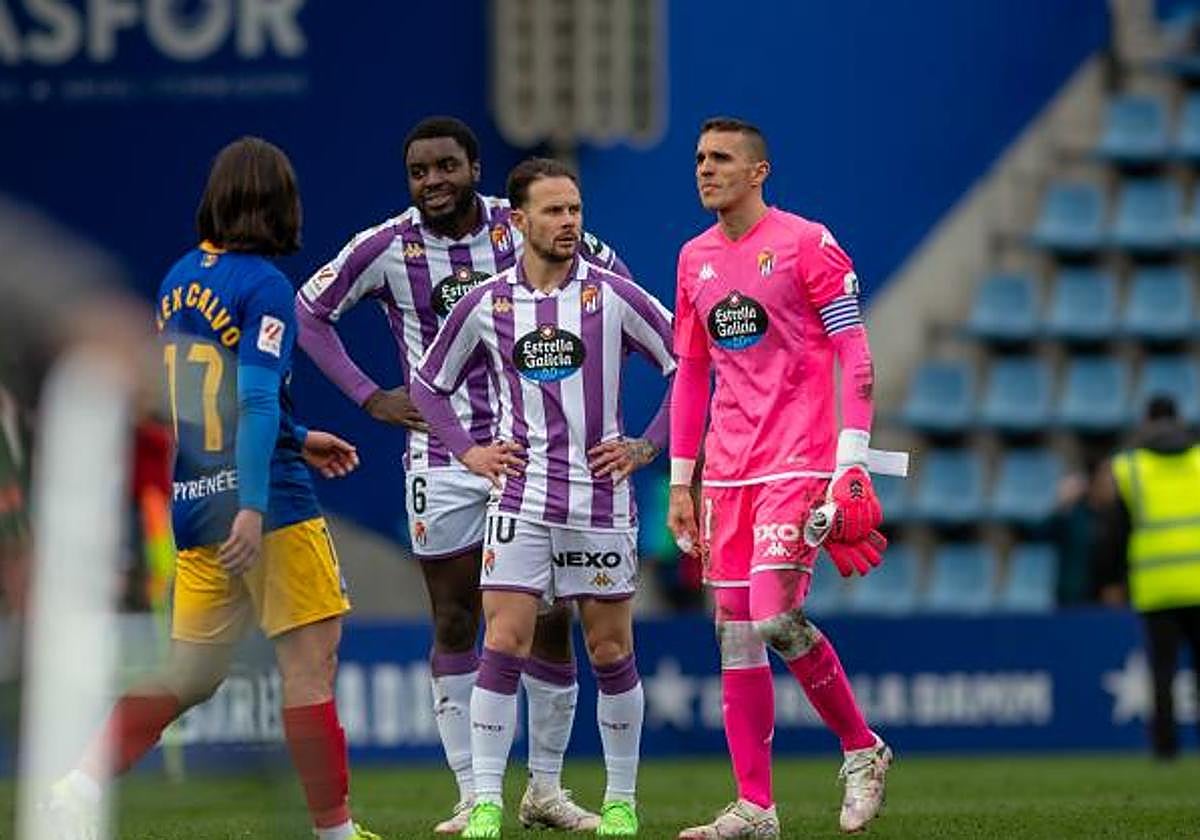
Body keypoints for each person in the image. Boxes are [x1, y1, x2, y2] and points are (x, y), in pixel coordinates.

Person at [296, 117, 647, 833]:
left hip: (540, 456)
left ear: (475, 167)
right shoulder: (388, 246)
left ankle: (544, 789)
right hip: (444, 458)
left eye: (447, 167)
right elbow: (310, 312)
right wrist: (370, 396)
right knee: (457, 617)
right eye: (420, 172)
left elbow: (616, 285)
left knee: (548, 621)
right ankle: (470, 792)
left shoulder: (517, 225)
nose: (433, 182)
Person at [48, 136, 380, 840]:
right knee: (310, 666)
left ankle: (78, 784)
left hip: (196, 502)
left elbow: (193, 400)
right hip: (269, 508)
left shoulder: (177, 279)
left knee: (189, 673)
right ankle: (336, 832)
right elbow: (255, 401)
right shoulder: (264, 287)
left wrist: (297, 434)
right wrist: (256, 505)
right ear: (275, 202)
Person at [411, 157, 674, 839]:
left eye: (576, 210)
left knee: (611, 651)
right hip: (521, 501)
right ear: (519, 221)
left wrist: (647, 446)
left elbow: (690, 364)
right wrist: (469, 451)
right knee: (503, 640)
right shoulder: (489, 302)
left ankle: (621, 801)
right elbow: (427, 385)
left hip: (600, 503)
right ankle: (489, 803)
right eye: (555, 212)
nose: (569, 223)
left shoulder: (613, 295)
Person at [666, 117, 893, 838]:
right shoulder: (693, 257)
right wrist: (681, 480)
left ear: (759, 171)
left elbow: (854, 352)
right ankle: (756, 807)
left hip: (797, 459)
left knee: (773, 616)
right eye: (700, 158)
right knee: (734, 632)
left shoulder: (807, 244)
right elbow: (694, 372)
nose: (706, 169)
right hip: (726, 471)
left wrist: (850, 461)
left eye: (723, 158)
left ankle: (862, 749)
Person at [1101, 394, 1200, 760]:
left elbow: (1116, 530)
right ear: (1180, 418)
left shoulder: (1130, 467)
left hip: (1157, 586)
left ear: (1146, 420)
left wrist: (1112, 579)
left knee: (1162, 671)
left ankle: (1165, 748)